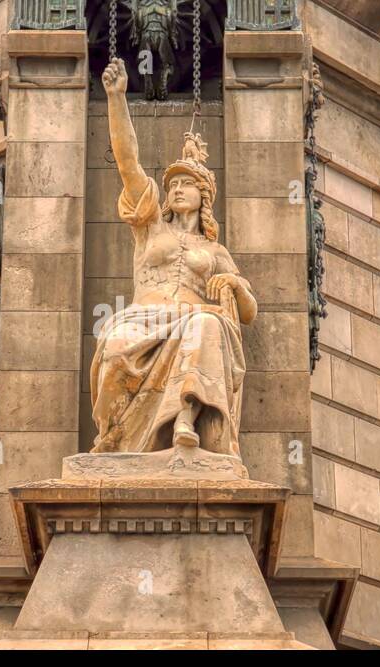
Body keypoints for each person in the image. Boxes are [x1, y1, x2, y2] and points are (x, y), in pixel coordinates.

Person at [91, 58, 257, 457]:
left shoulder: (215, 251)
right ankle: (114, 436)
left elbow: (248, 311)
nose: (178, 189)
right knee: (114, 349)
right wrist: (116, 99)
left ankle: (185, 417)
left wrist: (233, 283)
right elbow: (128, 164)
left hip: (196, 318)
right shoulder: (149, 225)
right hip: (143, 318)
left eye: (187, 184)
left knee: (207, 325)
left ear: (205, 197)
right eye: (174, 183)